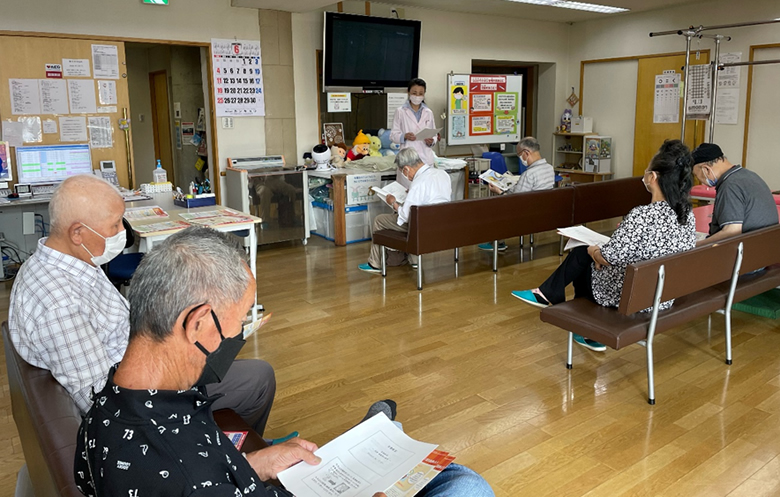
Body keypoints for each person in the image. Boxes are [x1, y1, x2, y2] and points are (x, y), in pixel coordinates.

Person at [74, 227, 494, 497]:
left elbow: (204, 466)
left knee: (393, 440)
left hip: (245, 478)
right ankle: (375, 433)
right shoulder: (182, 475)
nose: (239, 338)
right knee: (466, 485)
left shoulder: (111, 408)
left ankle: (375, 432)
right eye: (239, 322)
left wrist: (254, 463)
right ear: (199, 322)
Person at [8, 174, 276, 435]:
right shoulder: (59, 303)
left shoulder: (70, 262)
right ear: (77, 232)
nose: (121, 233)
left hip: (147, 361)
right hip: (148, 391)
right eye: (114, 226)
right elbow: (101, 398)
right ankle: (236, 449)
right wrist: (176, 366)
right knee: (258, 378)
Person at [512, 139, 696, 351]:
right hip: (661, 295)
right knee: (589, 256)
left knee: (582, 253)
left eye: (646, 171)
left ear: (653, 177)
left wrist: (595, 251)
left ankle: (572, 316)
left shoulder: (642, 215)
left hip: (631, 296)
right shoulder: (685, 214)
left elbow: (609, 257)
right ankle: (561, 308)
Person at [359, 148, 451, 273]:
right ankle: (414, 260)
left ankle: (375, 263)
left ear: (407, 169)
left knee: (379, 220)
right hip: (443, 225)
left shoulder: (418, 183)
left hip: (422, 228)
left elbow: (406, 216)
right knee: (407, 216)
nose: (405, 175)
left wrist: (393, 203)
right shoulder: (442, 174)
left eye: (402, 171)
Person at [691, 142, 778, 245]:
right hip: (769, 247)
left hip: (750, 252)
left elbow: (731, 232)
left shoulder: (730, 186)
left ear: (706, 169)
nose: (699, 180)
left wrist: (697, 245)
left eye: (697, 176)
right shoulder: (749, 175)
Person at [479, 136, 555, 251]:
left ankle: (498, 242)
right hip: (544, 211)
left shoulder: (529, 174)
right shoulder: (549, 168)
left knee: (494, 205)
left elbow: (516, 201)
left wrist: (499, 192)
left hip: (527, 214)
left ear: (526, 153)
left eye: (519, 155)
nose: (520, 158)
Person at [390, 78, 438, 168]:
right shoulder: (400, 111)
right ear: (408, 92)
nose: (417, 96)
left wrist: (431, 141)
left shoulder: (428, 112)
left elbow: (434, 134)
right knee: (409, 181)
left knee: (425, 181)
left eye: (421, 94)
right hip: (407, 159)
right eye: (414, 93)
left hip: (426, 159)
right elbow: (393, 136)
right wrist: (404, 136)